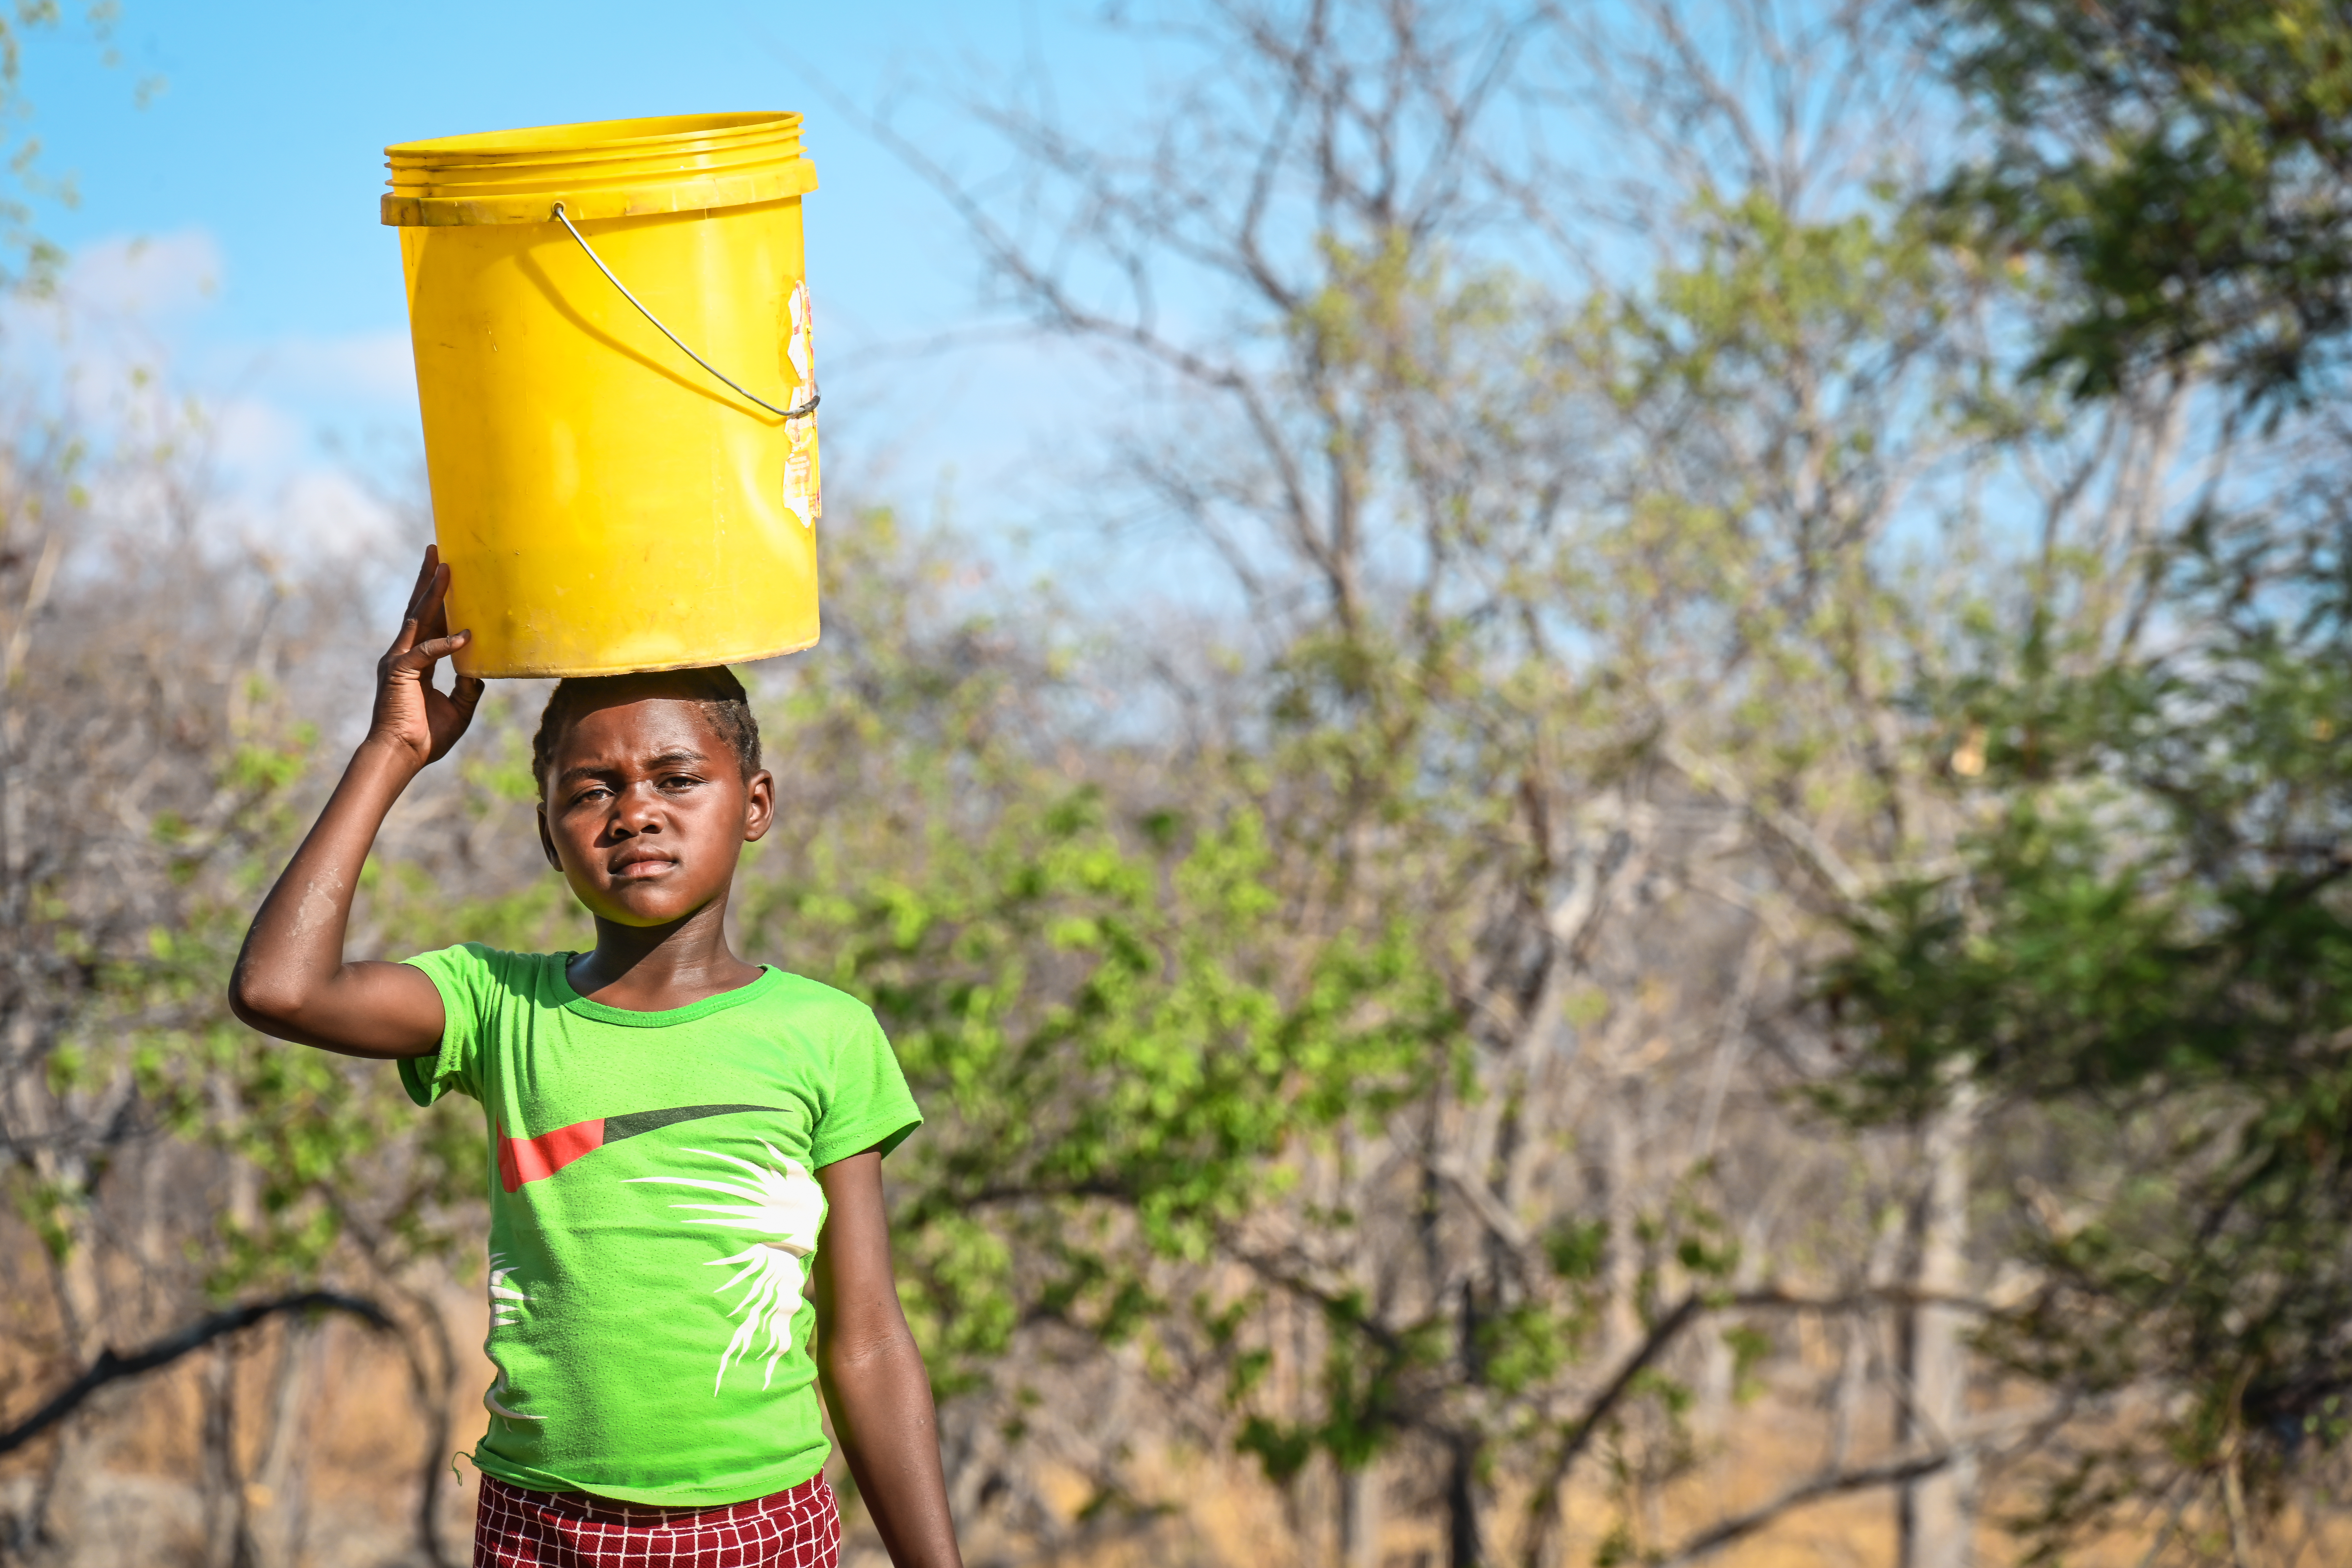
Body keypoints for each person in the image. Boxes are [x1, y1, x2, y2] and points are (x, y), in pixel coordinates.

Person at [229, 547, 963, 1568]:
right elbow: (280, 987)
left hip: (759, 1527)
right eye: (591, 792)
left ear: (754, 805)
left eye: (677, 778)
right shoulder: (500, 1007)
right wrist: (394, 748)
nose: (635, 813)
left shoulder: (825, 1032)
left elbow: (868, 1338)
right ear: (547, 833)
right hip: (538, 1527)